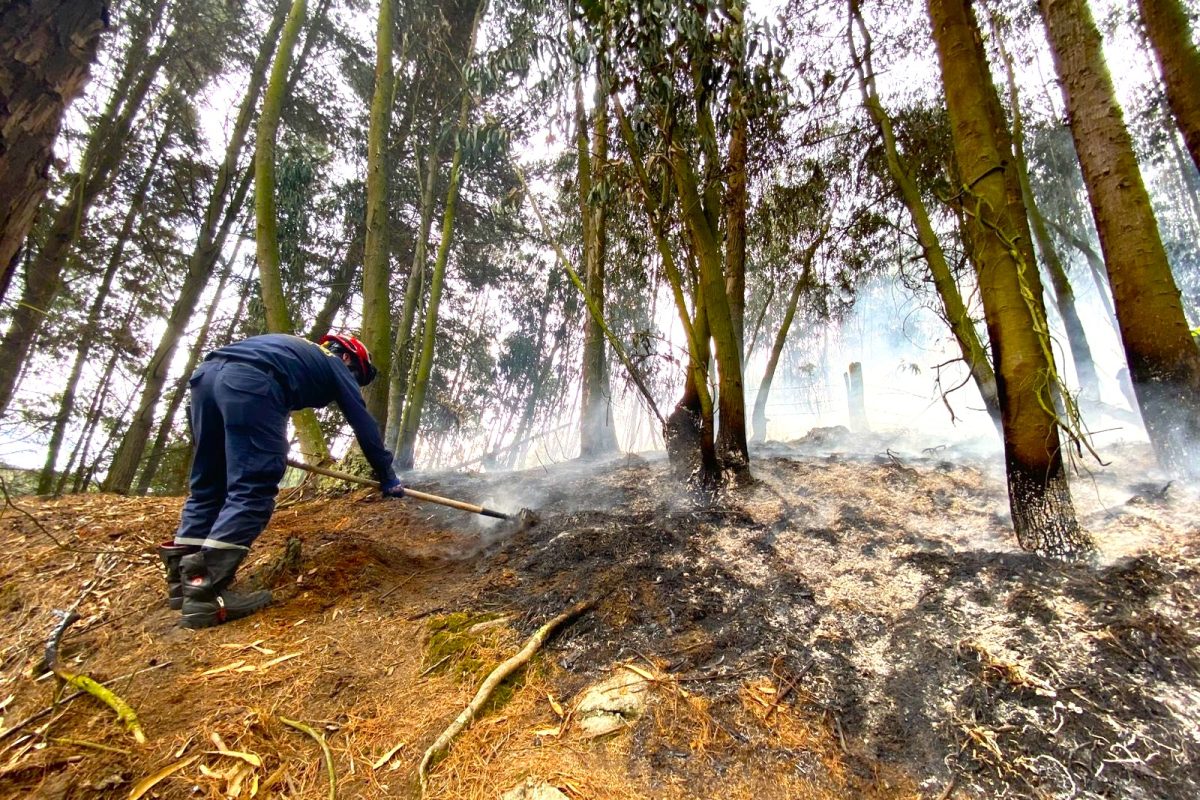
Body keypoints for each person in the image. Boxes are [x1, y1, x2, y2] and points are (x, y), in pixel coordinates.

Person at [157, 333, 405, 629]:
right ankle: (203, 590)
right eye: (356, 375)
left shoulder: (291, 351)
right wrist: (387, 475)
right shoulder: (334, 363)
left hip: (206, 378)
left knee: (209, 487)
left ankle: (181, 585)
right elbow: (362, 421)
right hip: (251, 384)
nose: (352, 381)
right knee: (253, 489)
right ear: (348, 356)